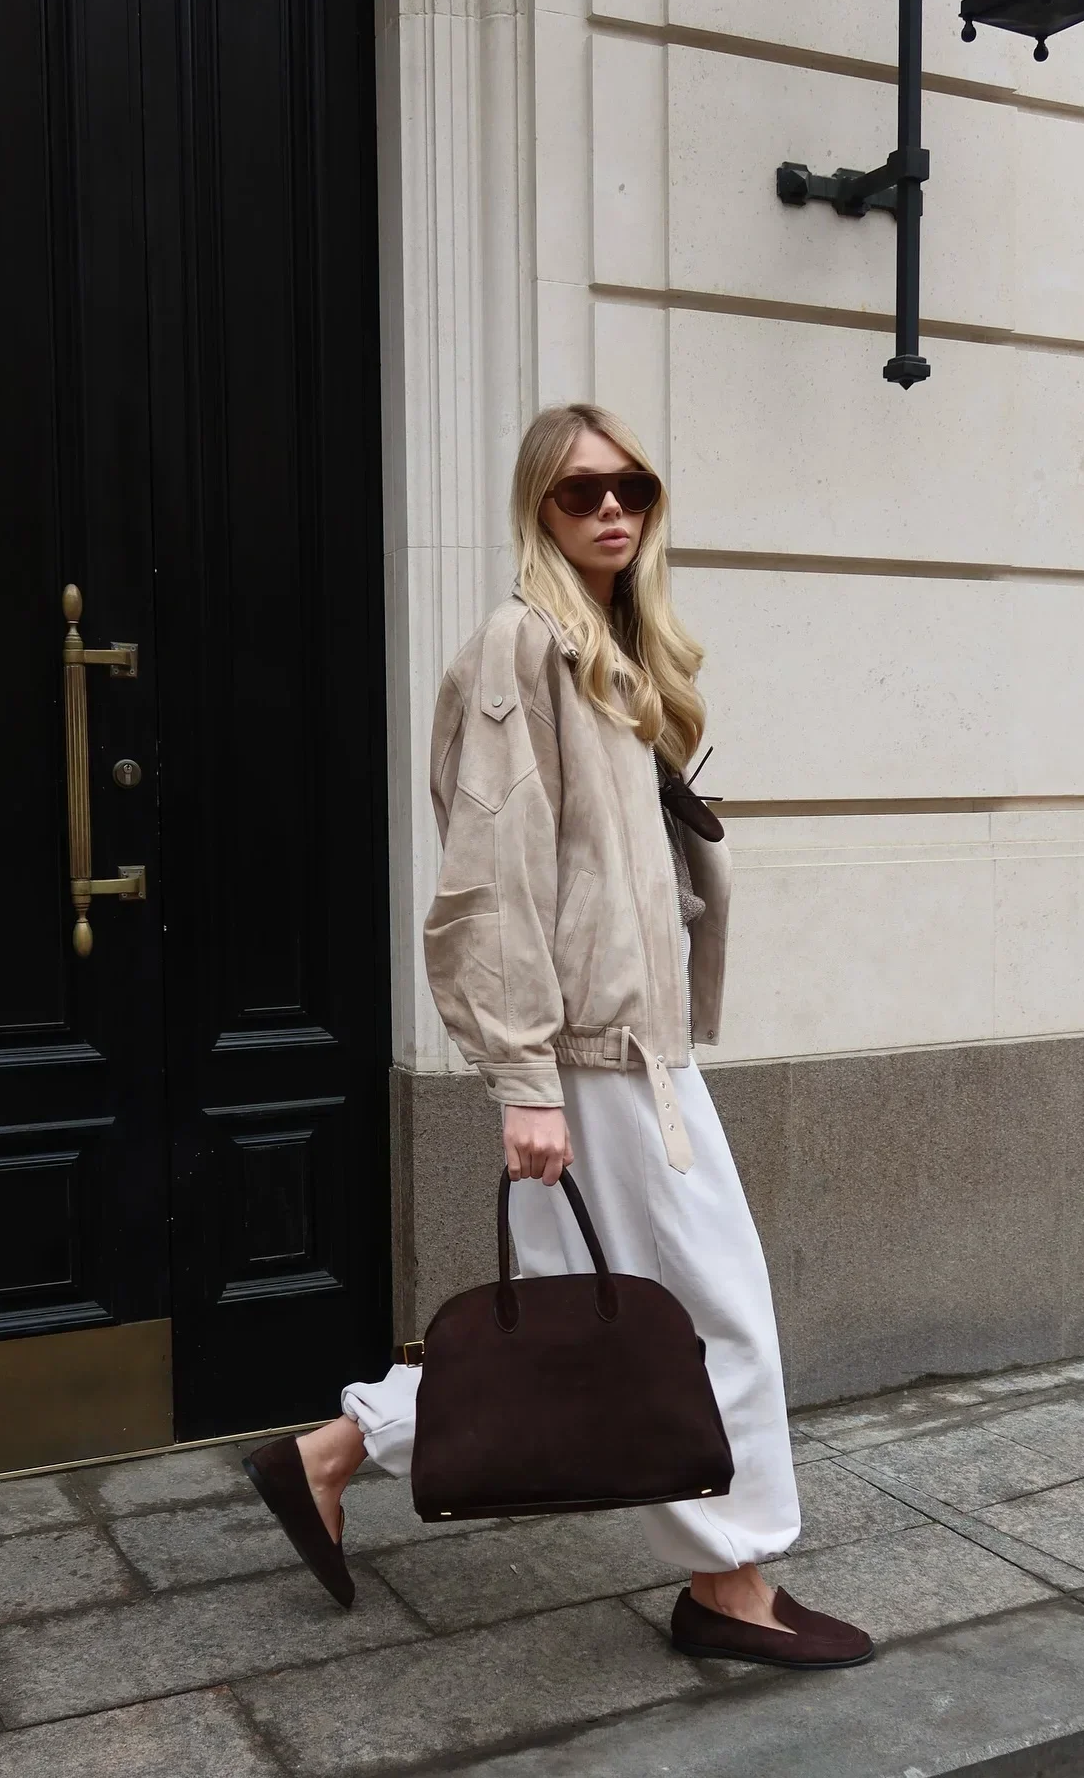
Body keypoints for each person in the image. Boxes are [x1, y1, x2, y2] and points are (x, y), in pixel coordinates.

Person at [244, 403, 873, 1669]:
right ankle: (730, 1585)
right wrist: (524, 1079)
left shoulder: (609, 650)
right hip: (590, 1060)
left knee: (567, 1316)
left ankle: (330, 1452)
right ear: (538, 507)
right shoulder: (519, 646)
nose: (612, 509)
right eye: (581, 491)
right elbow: (492, 878)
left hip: (634, 1045)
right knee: (717, 1312)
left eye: (631, 486)